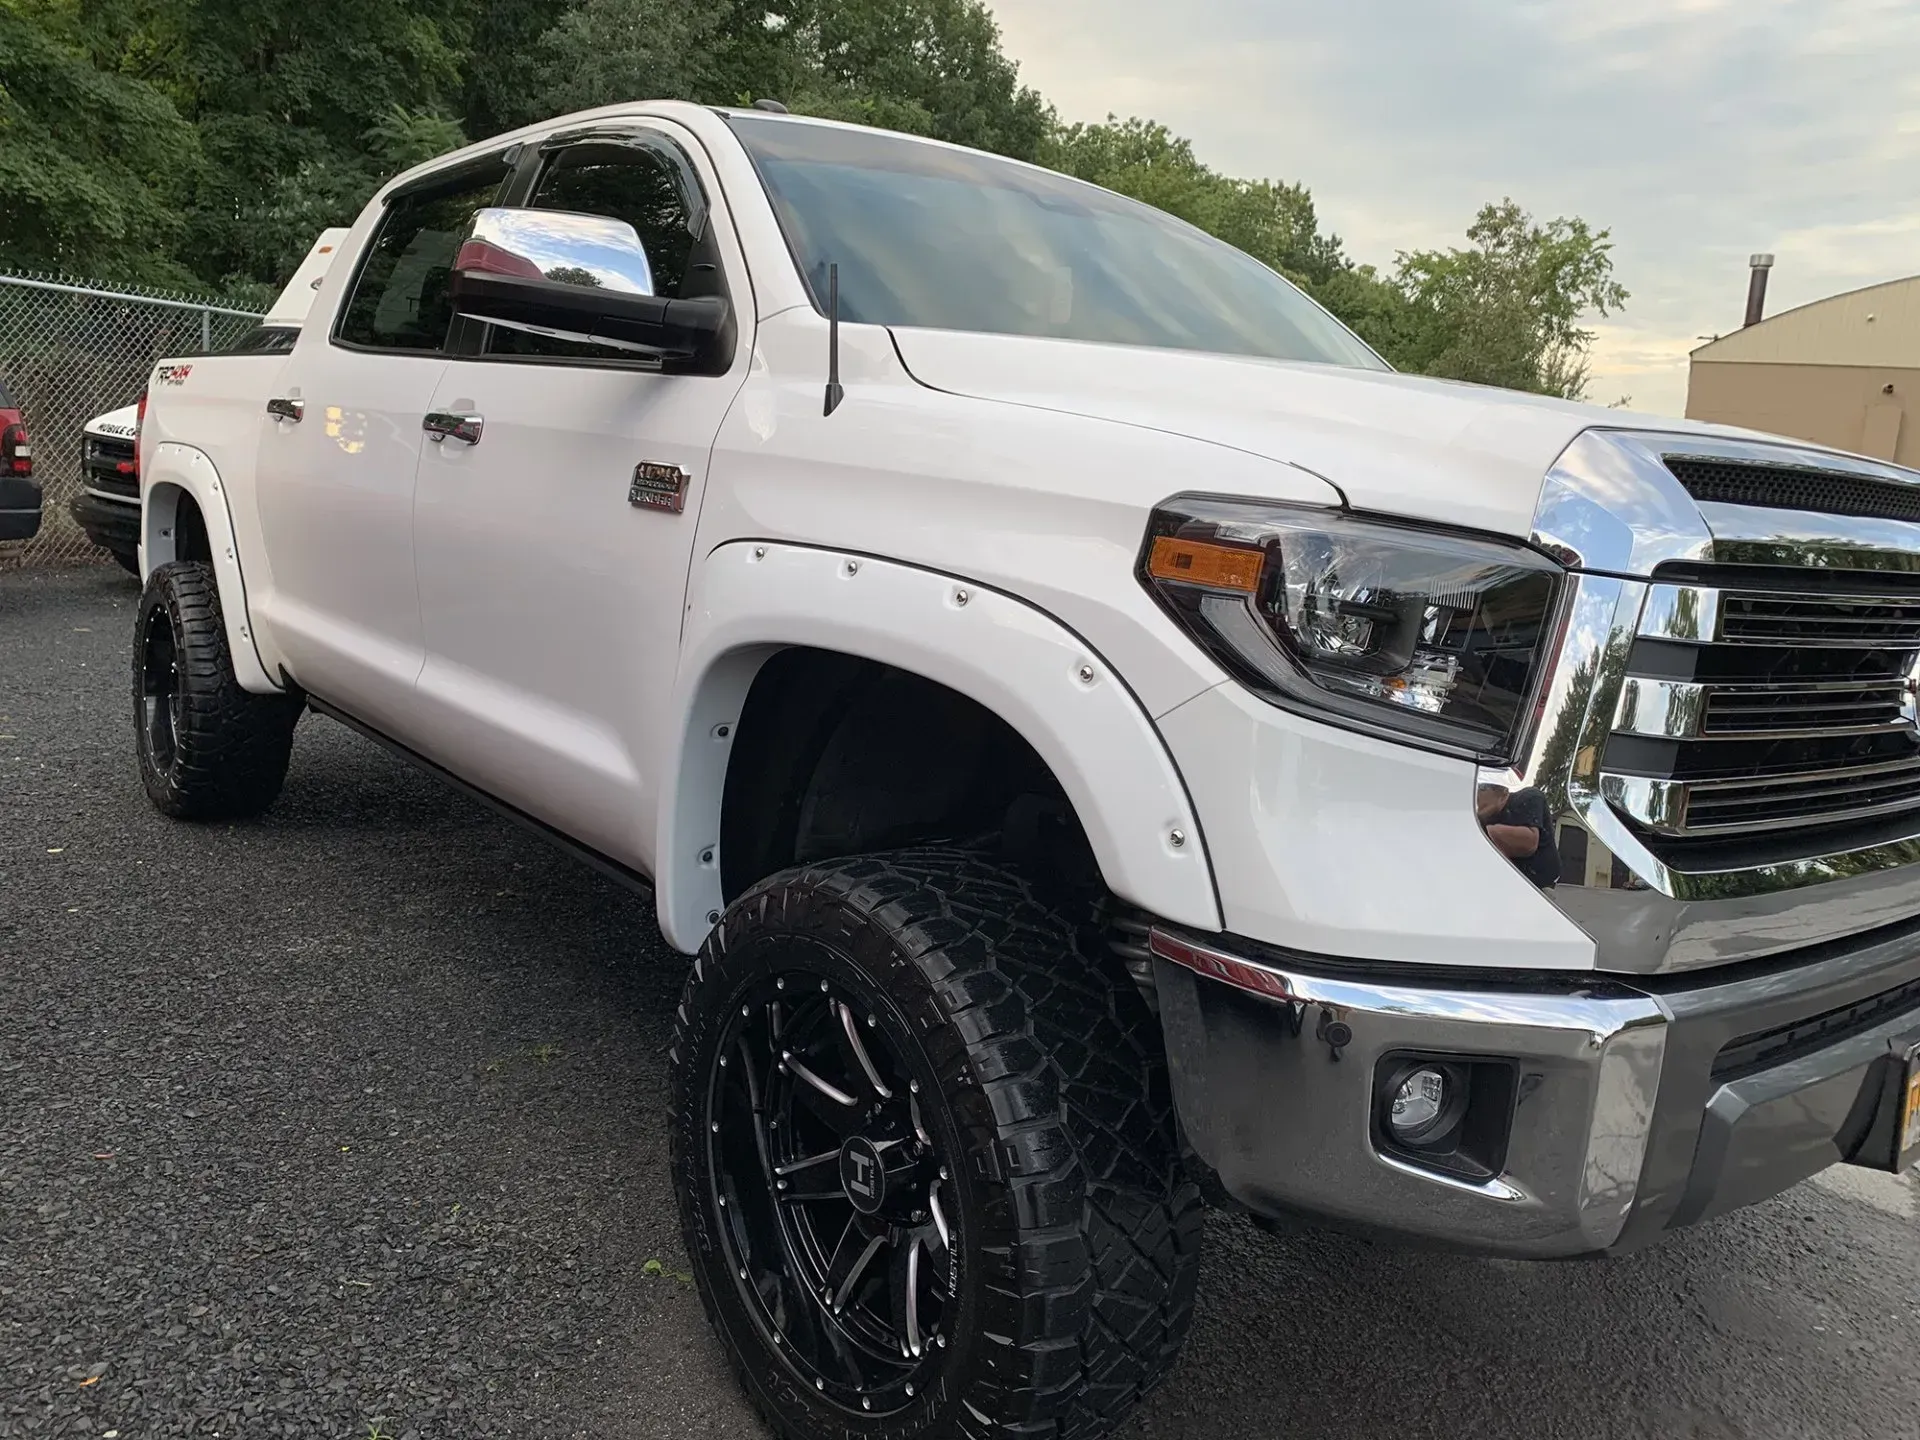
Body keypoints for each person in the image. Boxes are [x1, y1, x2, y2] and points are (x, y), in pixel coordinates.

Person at [1476, 783, 1560, 890]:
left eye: (1481, 788)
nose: (1475, 794)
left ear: (1502, 791)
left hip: (1540, 889)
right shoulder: (1483, 818)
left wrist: (1484, 830)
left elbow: (1528, 843)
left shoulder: (1529, 797)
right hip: (1507, 886)